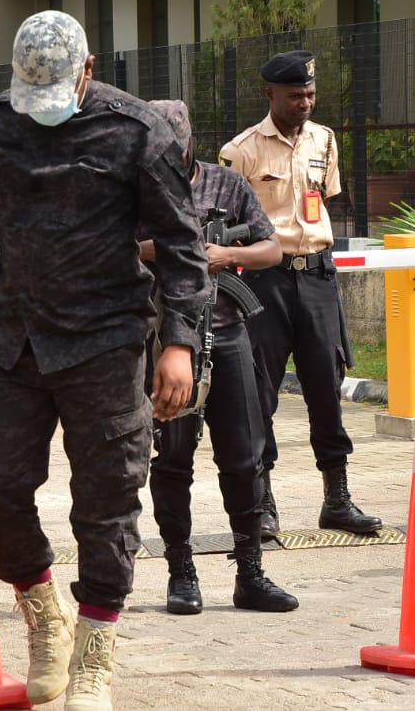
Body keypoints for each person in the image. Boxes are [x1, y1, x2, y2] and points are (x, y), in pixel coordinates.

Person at [0, 11, 210, 710]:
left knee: (107, 499)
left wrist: (178, 342)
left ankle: (95, 650)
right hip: (14, 338)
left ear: (86, 70)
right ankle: (44, 613)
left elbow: (183, 247)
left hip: (106, 340)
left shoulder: (139, 133)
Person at [141, 100, 297, 616]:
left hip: (227, 334)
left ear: (188, 143)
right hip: (166, 340)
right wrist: (166, 249)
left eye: (173, 145)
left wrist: (224, 255)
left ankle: (250, 571)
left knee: (244, 457)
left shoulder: (227, 186)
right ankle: (180, 571)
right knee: (172, 460)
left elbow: (272, 249)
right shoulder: (134, 187)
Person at [219, 50, 381, 538]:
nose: (305, 103)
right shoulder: (241, 151)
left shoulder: (325, 141)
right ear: (271, 95)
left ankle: (337, 499)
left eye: (310, 94)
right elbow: (227, 224)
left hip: (317, 279)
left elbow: (321, 202)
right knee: (259, 394)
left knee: (326, 389)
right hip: (263, 284)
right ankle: (262, 503)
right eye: (295, 96)